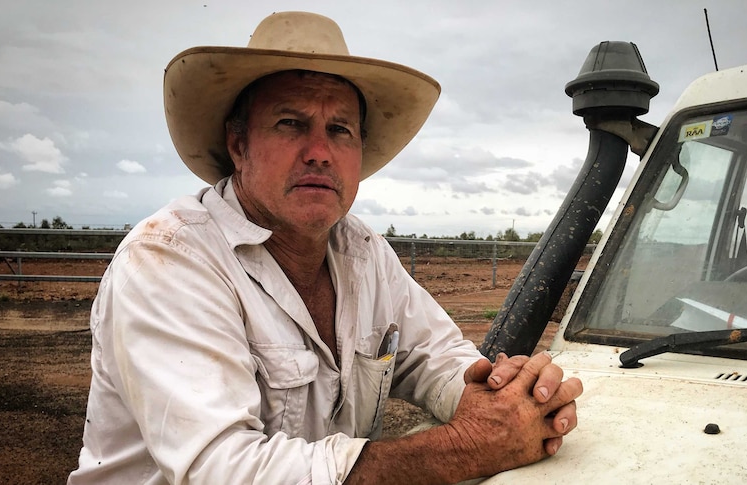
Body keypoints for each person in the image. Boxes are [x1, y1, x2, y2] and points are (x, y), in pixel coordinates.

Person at [68, 11, 583, 484]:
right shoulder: (170, 258)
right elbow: (223, 469)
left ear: (359, 152)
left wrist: (506, 395)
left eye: (339, 130)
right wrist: (471, 444)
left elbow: (434, 356)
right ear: (238, 143)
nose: (319, 153)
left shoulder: (361, 252)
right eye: (290, 124)